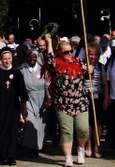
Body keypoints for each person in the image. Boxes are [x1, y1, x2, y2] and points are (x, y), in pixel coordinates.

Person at [44, 34, 88, 167]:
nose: (69, 54)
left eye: (71, 51)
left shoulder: (79, 62)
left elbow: (88, 70)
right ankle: (68, 157)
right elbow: (49, 60)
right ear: (60, 52)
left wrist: (90, 69)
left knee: (83, 128)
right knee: (66, 130)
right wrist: (49, 43)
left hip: (80, 102)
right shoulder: (56, 63)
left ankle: (81, 149)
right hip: (63, 103)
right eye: (66, 52)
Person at [0, 47, 28, 166]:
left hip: (13, 106)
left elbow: (22, 92)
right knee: (1, 130)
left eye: (9, 58)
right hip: (0, 106)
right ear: (1, 60)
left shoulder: (16, 72)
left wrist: (24, 108)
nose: (7, 61)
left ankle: (11, 156)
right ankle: (2, 155)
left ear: (12, 59)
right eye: (4, 59)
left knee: (12, 131)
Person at [20, 50, 49, 156]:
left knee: (41, 123)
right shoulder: (22, 69)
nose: (32, 59)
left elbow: (47, 84)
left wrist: (49, 97)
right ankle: (31, 147)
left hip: (41, 97)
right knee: (31, 122)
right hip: (28, 98)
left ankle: (40, 145)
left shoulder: (43, 69)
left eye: (34, 57)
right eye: (29, 57)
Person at [83, 45, 107, 158]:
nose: (93, 57)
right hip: (85, 96)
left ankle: (97, 146)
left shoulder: (101, 67)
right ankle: (88, 145)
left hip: (98, 96)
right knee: (88, 123)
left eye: (95, 55)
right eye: (90, 54)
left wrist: (106, 98)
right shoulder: (82, 66)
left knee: (98, 123)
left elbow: (105, 84)